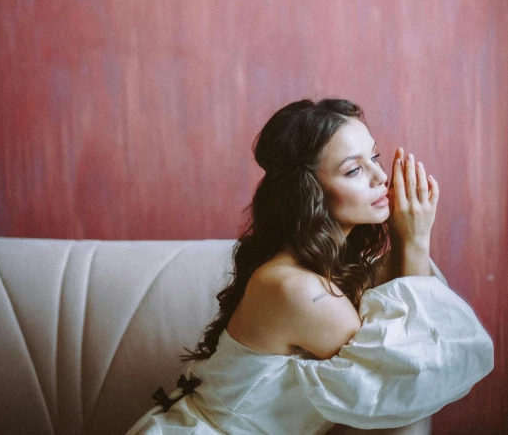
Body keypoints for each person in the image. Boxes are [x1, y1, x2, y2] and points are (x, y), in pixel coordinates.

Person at [125, 98, 494, 435]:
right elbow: (411, 372)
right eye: (353, 170)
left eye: (375, 158)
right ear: (309, 192)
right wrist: (413, 239)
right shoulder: (293, 287)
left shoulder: (335, 266)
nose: (381, 178)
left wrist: (403, 241)